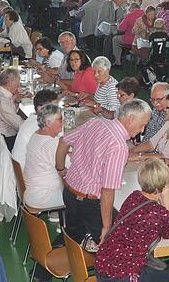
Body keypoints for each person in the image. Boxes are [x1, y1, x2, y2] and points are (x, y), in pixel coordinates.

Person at [56, 100, 152, 247]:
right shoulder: (119, 146)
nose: (142, 130)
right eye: (142, 125)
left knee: (71, 237)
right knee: (114, 245)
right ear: (131, 119)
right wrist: (107, 227)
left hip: (69, 193)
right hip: (89, 204)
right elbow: (107, 190)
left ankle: (48, 266)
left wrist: (61, 170)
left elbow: (63, 141)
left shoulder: (97, 122)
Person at [94, 159, 169, 282]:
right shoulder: (158, 213)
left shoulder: (134, 196)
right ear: (165, 183)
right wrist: (167, 202)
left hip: (103, 264)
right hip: (123, 274)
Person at [23, 104, 66, 209]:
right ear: (48, 123)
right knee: (84, 197)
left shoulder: (36, 135)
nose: (63, 122)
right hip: (45, 197)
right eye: (60, 119)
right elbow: (73, 163)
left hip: (32, 194)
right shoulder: (51, 144)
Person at [130, 92, 169, 162]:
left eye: (167, 107)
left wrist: (139, 156)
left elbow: (166, 157)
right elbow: (151, 144)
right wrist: (131, 151)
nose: (164, 110)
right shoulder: (168, 123)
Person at [0, 68, 27, 151]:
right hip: (4, 139)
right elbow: (18, 125)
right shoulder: (2, 100)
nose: (19, 85)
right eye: (18, 82)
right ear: (10, 82)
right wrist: (34, 125)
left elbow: (9, 112)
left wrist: (16, 100)